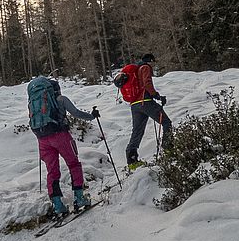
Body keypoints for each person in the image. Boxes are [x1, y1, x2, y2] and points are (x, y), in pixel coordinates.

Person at [28, 76, 97, 215]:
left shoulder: (35, 101)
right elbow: (76, 113)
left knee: (52, 171)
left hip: (42, 139)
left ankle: (58, 205)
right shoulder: (61, 99)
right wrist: (92, 116)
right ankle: (79, 198)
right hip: (60, 136)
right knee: (74, 164)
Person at [114, 53, 173, 167]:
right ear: (150, 60)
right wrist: (156, 95)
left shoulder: (134, 71)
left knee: (137, 131)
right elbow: (147, 83)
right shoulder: (145, 67)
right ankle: (169, 150)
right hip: (144, 102)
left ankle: (132, 160)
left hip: (134, 105)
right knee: (166, 122)